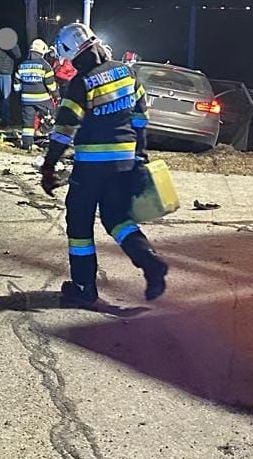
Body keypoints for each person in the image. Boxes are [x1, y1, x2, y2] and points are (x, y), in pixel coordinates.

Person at [40, 23, 168, 307]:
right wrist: (139, 156)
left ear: (70, 51)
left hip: (91, 167)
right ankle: (150, 262)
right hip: (123, 162)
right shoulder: (127, 72)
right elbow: (140, 117)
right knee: (117, 219)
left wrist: (49, 166)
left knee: (79, 223)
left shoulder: (81, 82)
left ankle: (84, 287)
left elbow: (64, 129)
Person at [15, 39, 59, 151]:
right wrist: (56, 96)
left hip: (26, 99)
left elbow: (16, 85)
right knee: (51, 116)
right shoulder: (45, 66)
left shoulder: (22, 65)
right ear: (42, 51)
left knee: (27, 123)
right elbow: (51, 85)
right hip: (42, 98)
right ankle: (51, 140)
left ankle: (27, 144)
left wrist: (21, 94)